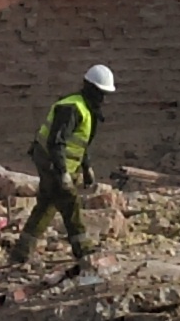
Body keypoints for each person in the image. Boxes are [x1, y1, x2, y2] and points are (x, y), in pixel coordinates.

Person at [7, 64, 113, 272]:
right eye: (101, 93)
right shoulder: (72, 108)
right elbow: (57, 142)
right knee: (69, 201)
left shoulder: (86, 109)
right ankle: (82, 248)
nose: (104, 98)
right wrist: (63, 172)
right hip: (49, 160)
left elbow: (79, 143)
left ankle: (21, 251)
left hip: (55, 160)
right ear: (91, 88)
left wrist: (86, 167)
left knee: (47, 204)